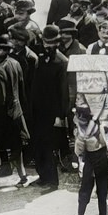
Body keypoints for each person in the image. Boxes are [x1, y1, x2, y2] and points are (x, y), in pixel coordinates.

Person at [66, 98, 108, 215]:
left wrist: (78, 158)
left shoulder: (83, 133)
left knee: (85, 193)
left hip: (92, 161)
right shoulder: (100, 126)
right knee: (101, 193)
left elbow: (79, 151)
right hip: (101, 161)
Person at [0, 35, 30, 186]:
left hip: (1, 116)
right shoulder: (15, 62)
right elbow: (22, 90)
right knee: (17, 146)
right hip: (17, 113)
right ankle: (23, 176)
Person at [31, 25, 69, 191]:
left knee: (49, 145)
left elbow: (63, 91)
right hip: (36, 106)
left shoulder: (61, 61)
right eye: (46, 42)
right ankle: (42, 176)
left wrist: (60, 115)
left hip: (51, 110)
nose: (48, 46)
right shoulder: (36, 54)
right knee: (36, 142)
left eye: (52, 43)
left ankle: (52, 180)